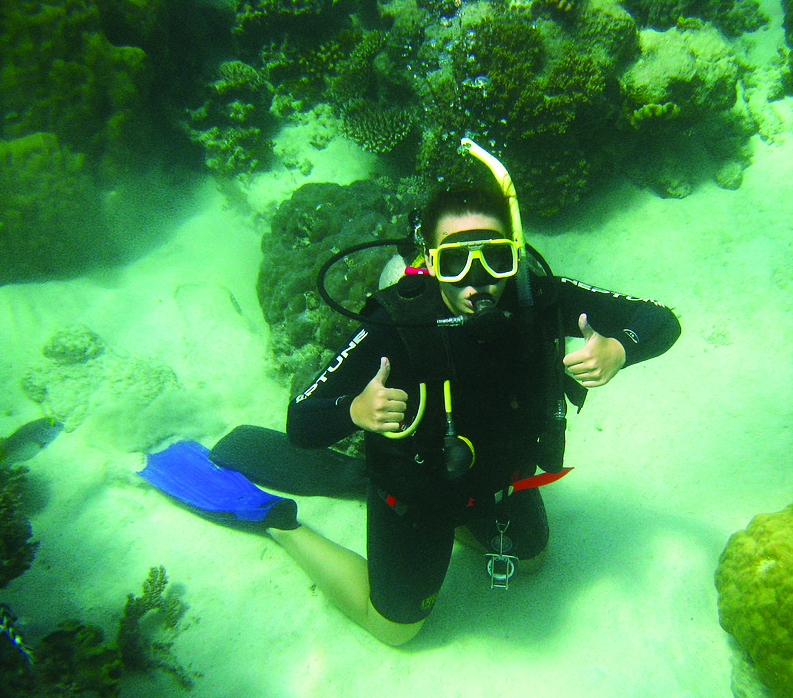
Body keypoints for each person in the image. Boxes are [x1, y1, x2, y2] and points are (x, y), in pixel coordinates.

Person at [274, 184, 680, 645]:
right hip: (416, 500)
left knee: (531, 561)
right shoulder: (396, 325)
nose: (476, 279)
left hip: (495, 485)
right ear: (428, 261)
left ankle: (454, 523)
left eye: (493, 257)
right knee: (394, 631)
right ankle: (281, 525)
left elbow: (661, 319)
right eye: (454, 262)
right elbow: (301, 420)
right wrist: (355, 409)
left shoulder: (539, 301)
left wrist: (620, 347)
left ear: (515, 252)